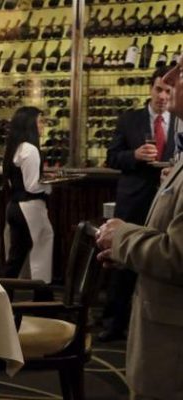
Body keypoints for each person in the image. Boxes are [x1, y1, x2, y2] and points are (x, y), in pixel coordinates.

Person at [96, 60, 183, 400]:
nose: (169, 81)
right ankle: (113, 323)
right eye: (161, 83)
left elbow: (176, 256)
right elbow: (113, 156)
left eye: (180, 72)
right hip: (135, 202)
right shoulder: (130, 119)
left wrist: (123, 238)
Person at [2, 106, 54, 285]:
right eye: (40, 121)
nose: (43, 125)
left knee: (15, 257)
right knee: (40, 252)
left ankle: (6, 294)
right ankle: (41, 296)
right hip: (29, 208)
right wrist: (49, 184)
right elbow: (32, 186)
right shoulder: (30, 149)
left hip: (14, 207)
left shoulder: (15, 147)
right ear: (29, 124)